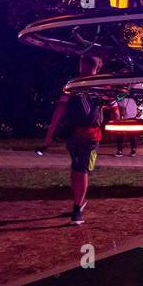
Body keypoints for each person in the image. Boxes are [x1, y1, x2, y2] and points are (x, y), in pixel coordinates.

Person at [42, 54, 106, 225]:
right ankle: (78, 204)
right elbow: (61, 109)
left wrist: (50, 134)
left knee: (80, 169)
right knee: (78, 169)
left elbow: (60, 110)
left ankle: (78, 207)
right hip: (82, 135)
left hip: (84, 136)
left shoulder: (82, 85)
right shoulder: (88, 85)